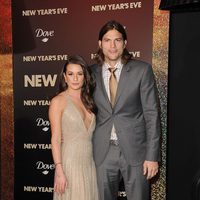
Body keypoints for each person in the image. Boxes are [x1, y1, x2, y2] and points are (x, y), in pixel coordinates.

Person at [91, 20, 161, 200]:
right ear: (100, 44)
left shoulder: (142, 70)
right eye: (107, 40)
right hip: (102, 151)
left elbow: (152, 115)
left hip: (136, 151)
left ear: (125, 43)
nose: (112, 46)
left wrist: (152, 156)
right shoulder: (89, 73)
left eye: (117, 40)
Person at [49, 55, 99, 200]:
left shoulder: (89, 100)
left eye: (79, 74)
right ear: (65, 77)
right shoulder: (58, 101)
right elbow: (56, 139)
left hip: (89, 164)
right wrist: (59, 169)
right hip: (69, 164)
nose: (75, 78)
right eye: (71, 74)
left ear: (85, 77)